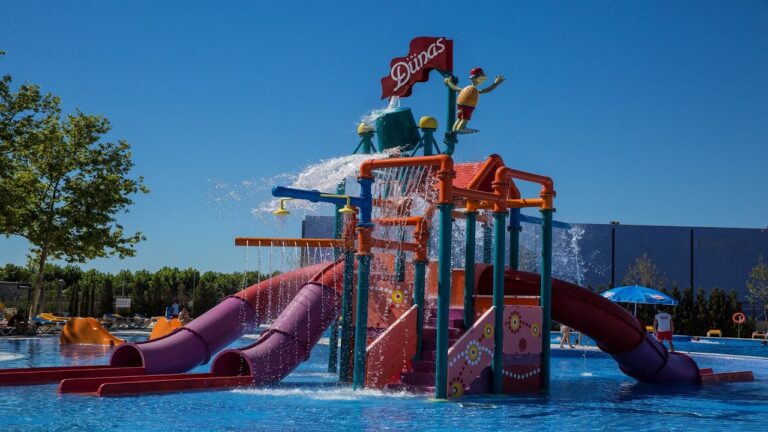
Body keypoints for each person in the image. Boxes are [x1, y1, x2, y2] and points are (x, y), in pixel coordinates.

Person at [444, 67, 505, 132]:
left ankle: (454, 131)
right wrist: (495, 84)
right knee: (465, 118)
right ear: (475, 78)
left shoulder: (468, 89)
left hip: (461, 103)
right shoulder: (473, 89)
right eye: (481, 77)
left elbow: (456, 88)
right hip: (469, 105)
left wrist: (449, 82)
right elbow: (487, 89)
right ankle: (460, 129)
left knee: (459, 118)